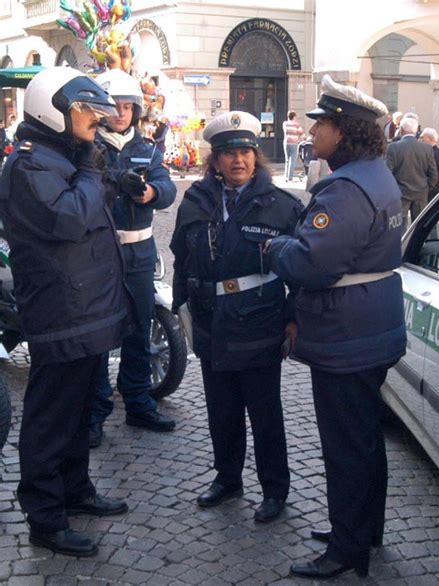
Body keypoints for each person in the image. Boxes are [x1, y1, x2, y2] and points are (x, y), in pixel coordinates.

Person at [264, 75, 407, 580]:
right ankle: (364, 529)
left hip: (349, 332)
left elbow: (309, 264)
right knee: (365, 437)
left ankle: (347, 548)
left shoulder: (346, 188)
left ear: (343, 130)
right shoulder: (375, 174)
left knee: (346, 445)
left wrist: (275, 247)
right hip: (374, 322)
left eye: (321, 122)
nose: (313, 129)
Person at [0, 67, 131, 557]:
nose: (95, 121)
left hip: (87, 308)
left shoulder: (63, 156)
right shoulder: (30, 164)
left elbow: (89, 202)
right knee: (51, 418)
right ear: (50, 111)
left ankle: (76, 490)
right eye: (85, 112)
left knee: (77, 412)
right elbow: (69, 216)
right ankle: (45, 517)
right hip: (61, 311)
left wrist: (115, 178)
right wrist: (96, 172)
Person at [170, 111, 303, 522]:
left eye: (245, 151)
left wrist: (293, 318)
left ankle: (274, 489)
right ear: (215, 159)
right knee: (221, 410)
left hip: (260, 321)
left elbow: (299, 273)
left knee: (265, 413)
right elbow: (180, 257)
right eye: (228, 153)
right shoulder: (195, 201)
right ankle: (227, 478)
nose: (238, 161)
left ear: (256, 155)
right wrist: (182, 310)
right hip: (211, 322)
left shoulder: (282, 207)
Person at [88, 69, 177, 448]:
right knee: (96, 333)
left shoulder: (149, 147)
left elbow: (169, 187)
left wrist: (151, 192)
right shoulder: (86, 145)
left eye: (128, 106)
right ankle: (94, 413)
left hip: (139, 250)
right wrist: (112, 181)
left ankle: (138, 402)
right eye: (115, 106)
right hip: (100, 251)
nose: (121, 113)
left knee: (140, 326)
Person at [386, 117, 437, 231]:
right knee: (419, 227)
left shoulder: (393, 147)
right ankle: (418, 247)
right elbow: (433, 174)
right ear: (416, 131)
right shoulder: (427, 148)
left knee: (399, 228)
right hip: (420, 192)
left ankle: (401, 247)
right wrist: (427, 188)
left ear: (402, 130)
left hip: (400, 193)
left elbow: (387, 174)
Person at [420, 127, 439, 201]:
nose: (421, 140)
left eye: (423, 138)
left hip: (431, 192)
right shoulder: (431, 152)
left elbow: (433, 175)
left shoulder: (434, 154)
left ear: (430, 139)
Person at [283, 110, 304, 181]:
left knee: (287, 160)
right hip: (294, 143)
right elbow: (301, 133)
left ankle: (285, 176)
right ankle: (290, 177)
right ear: (294, 116)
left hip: (286, 143)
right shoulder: (296, 124)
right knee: (293, 160)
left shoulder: (285, 124)